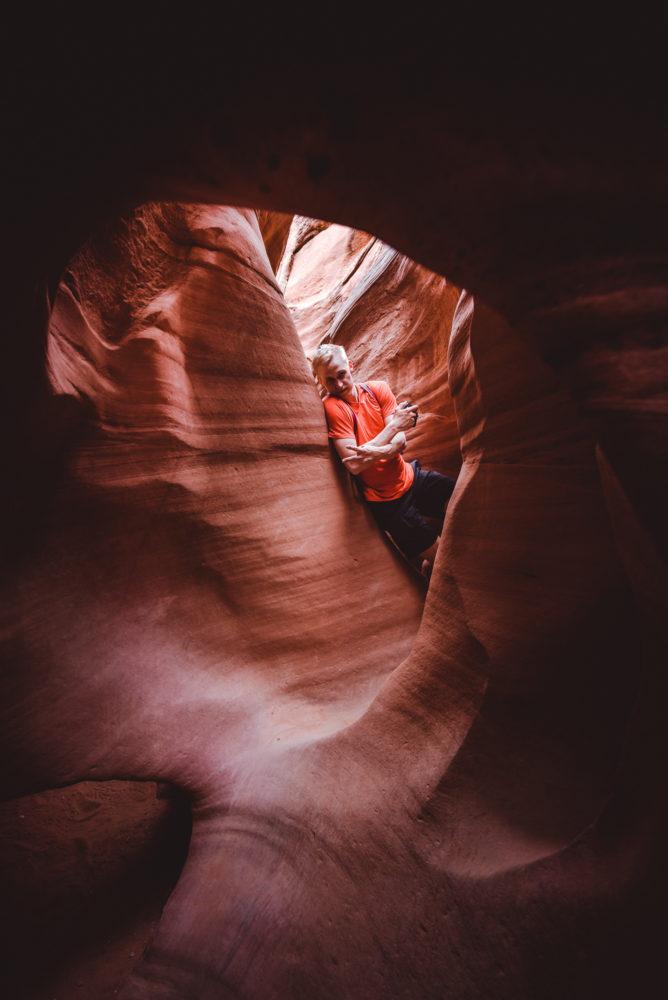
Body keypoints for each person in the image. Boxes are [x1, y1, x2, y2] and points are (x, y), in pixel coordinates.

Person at [311, 343, 456, 576]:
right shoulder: (333, 406)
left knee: (462, 500)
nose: (338, 385)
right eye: (330, 380)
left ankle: (427, 565)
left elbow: (401, 443)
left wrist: (374, 452)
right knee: (445, 561)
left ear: (351, 366)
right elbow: (354, 465)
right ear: (320, 382)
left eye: (341, 374)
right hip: (388, 504)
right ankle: (428, 567)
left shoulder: (378, 389)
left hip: (411, 477)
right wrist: (393, 431)